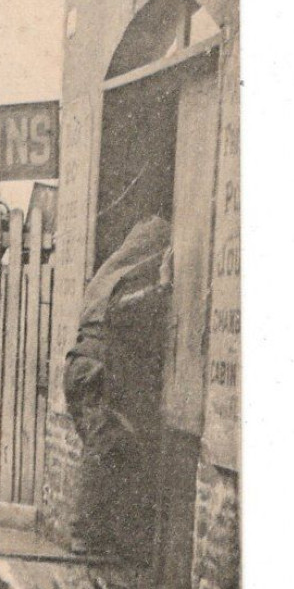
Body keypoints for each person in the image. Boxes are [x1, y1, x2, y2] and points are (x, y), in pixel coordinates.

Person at [62, 214, 173, 562]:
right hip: (94, 370)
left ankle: (99, 533)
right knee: (102, 447)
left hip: (78, 366)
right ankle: (83, 535)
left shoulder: (106, 275)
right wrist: (162, 287)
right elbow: (122, 312)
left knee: (109, 446)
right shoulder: (126, 283)